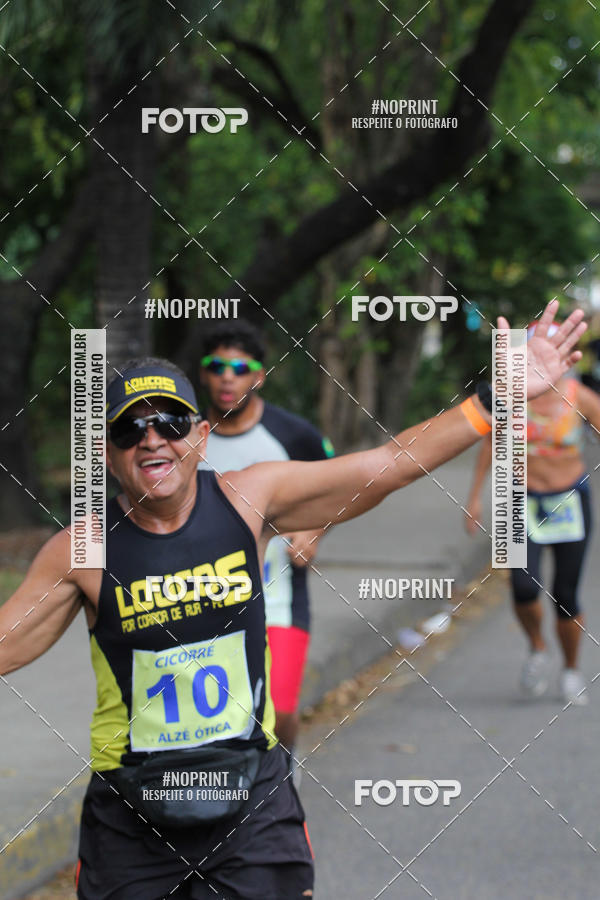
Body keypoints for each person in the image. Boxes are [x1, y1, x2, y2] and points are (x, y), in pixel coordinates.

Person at [0, 301, 585, 899]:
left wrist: (494, 398)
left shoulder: (250, 497)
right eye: (130, 428)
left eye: (171, 423)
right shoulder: (84, 550)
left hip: (251, 801)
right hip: (133, 818)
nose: (153, 440)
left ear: (200, 436)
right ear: (105, 451)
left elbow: (387, 466)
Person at [197, 320, 334, 772]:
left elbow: (337, 490)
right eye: (218, 366)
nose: (228, 377)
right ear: (204, 374)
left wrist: (313, 533)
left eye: (241, 368)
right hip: (203, 602)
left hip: (278, 597)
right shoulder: (185, 438)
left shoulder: (293, 436)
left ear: (260, 375)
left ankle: (285, 771)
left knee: (282, 707)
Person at [465, 321, 600, 705]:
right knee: (524, 588)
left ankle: (571, 670)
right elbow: (490, 444)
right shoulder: (512, 396)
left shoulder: (579, 397)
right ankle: (537, 648)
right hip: (518, 500)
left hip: (569, 502)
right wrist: (475, 498)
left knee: (565, 595)